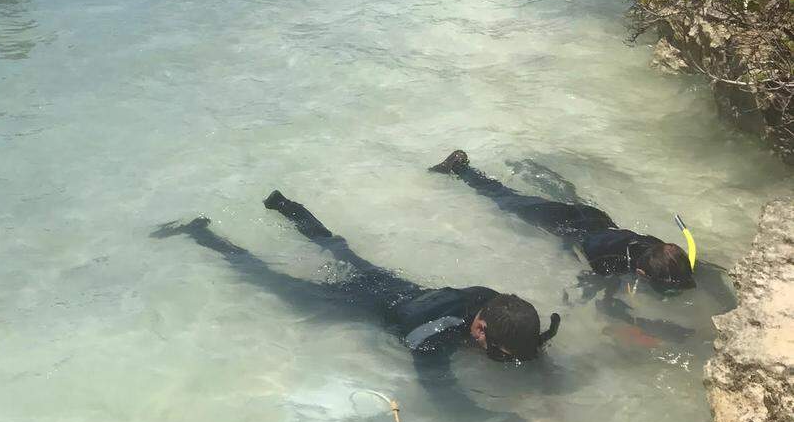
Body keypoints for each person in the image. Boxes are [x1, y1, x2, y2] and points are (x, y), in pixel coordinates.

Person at [154, 192, 559, 362]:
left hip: (393, 286)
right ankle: (199, 233)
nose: (493, 356)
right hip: (359, 303)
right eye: (494, 349)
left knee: (336, 247)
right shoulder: (435, 335)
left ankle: (284, 205)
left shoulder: (489, 297)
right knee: (266, 278)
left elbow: (520, 340)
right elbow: (438, 385)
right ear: (482, 324)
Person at [429, 150, 695, 289]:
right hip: (568, 224)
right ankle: (460, 167)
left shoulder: (657, 248)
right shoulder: (610, 262)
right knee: (506, 200)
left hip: (597, 219)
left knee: (557, 197)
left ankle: (530, 170)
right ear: (640, 272)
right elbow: (579, 250)